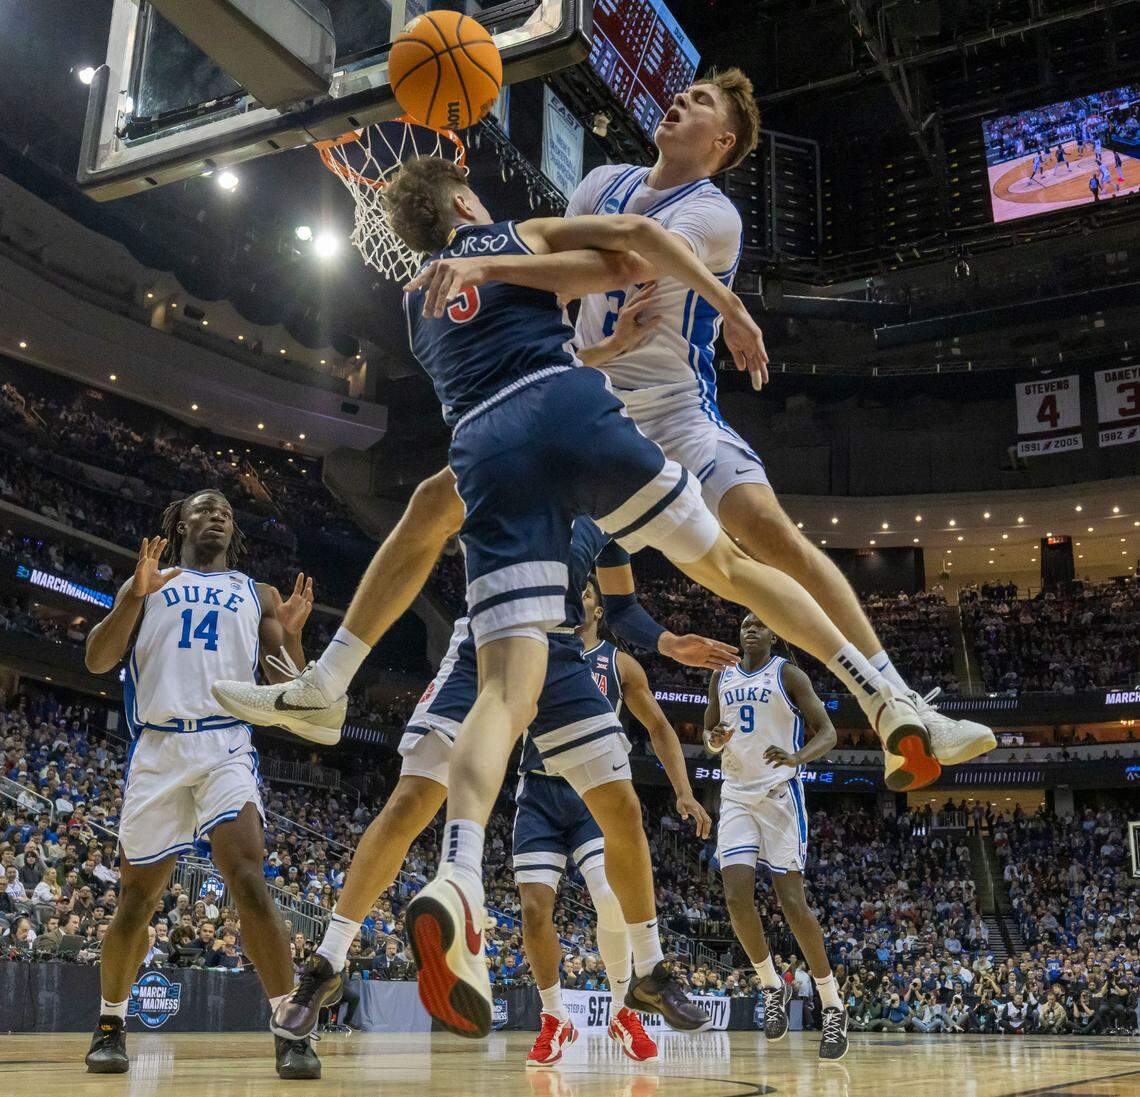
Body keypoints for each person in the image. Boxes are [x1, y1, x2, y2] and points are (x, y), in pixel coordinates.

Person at [216, 149, 940, 1039]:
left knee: (540, 735)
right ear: (462, 198)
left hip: (498, 477)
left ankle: (481, 886)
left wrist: (601, 345)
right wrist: (712, 304)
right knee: (732, 567)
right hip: (557, 441)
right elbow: (625, 253)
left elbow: (618, 592)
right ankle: (881, 689)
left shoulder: (418, 307)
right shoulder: (510, 244)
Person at [428, 67, 995, 782]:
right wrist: (580, 332)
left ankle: (900, 702)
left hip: (673, 411)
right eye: (682, 92)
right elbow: (565, 290)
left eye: (699, 102)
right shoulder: (599, 180)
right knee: (449, 511)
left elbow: (626, 261)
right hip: (583, 405)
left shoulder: (714, 211)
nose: (679, 101)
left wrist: (494, 266)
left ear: (721, 141)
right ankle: (356, 685)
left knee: (766, 535)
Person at [261, 511, 731, 1044]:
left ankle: (649, 970)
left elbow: (621, 605)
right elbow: (421, 535)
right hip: (484, 639)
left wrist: (669, 642)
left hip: (559, 652)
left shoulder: (605, 509)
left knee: (623, 808)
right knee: (412, 798)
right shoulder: (501, 459)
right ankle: (327, 961)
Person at [80, 493, 321, 1079]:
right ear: (179, 522)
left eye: (227, 513)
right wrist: (132, 598)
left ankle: (290, 1027)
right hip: (159, 749)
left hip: (225, 744)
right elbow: (95, 659)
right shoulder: (149, 582)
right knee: (136, 901)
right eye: (205, 508)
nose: (218, 515)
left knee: (249, 878)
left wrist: (288, 636)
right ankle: (111, 1021)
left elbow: (294, 688)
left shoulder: (256, 593)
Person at [517, 575, 712, 1067]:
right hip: (538, 790)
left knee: (610, 897)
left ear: (599, 609)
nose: (578, 601)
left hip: (593, 796)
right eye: (572, 593)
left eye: (586, 594)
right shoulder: (533, 650)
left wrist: (684, 792)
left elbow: (660, 727)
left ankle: (625, 1008)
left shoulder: (619, 663)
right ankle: (555, 1017)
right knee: (535, 910)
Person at [704, 613, 847, 1061]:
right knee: (734, 897)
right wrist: (715, 738)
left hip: (780, 794)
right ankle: (770, 986)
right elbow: (709, 736)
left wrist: (797, 756)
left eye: (761, 623)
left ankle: (832, 1004)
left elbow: (829, 732)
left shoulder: (788, 673)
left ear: (773, 634)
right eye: (744, 622)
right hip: (736, 795)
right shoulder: (720, 676)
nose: (750, 627)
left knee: (792, 902)